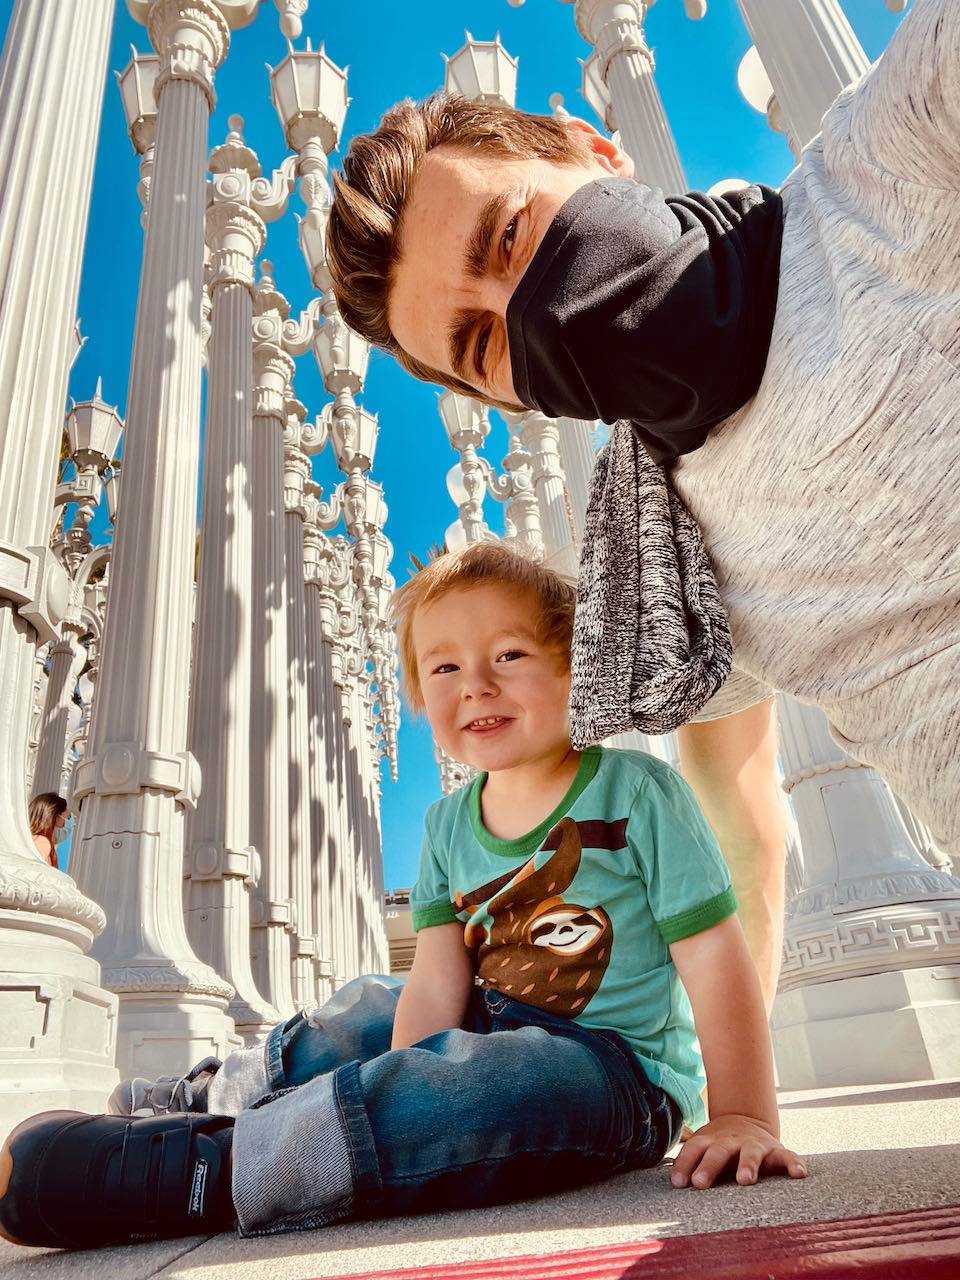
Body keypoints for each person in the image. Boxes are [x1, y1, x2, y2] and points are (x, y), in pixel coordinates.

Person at [324, 0, 960, 1003]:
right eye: (484, 345)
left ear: (595, 147)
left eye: (512, 235)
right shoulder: (660, 547)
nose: (531, 312)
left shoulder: (896, 152)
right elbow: (737, 827)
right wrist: (731, 1073)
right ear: (502, 400)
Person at [0, 544, 805, 1250]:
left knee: (497, 1085)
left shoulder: (639, 794)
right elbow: (437, 982)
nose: (476, 686)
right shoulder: (449, 825)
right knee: (368, 1008)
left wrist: (742, 1114)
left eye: (509, 655)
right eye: (445, 669)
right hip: (485, 1021)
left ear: (574, 666)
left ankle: (208, 1171)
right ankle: (203, 1099)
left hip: (613, 1074)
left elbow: (714, 960)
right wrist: (404, 1072)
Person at [27, 792, 67, 871]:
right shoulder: (41, 841)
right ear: (54, 815)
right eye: (67, 816)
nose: (66, 820)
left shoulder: (33, 839)